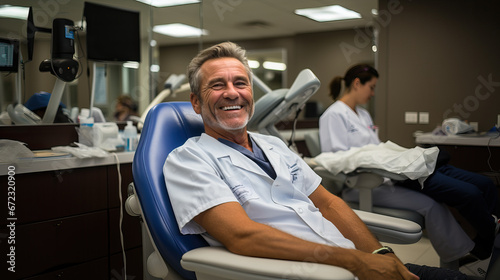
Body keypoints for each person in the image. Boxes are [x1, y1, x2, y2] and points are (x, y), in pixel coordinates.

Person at [163, 42, 468, 280]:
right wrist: (357, 261)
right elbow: (242, 236)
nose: (233, 93)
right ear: (195, 102)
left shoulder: (273, 145)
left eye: (241, 83)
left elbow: (329, 204)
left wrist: (381, 253)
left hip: (353, 263)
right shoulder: (189, 160)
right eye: (217, 85)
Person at [319, 64, 498, 262]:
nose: (373, 93)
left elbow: (377, 148)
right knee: (437, 202)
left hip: (386, 176)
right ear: (356, 83)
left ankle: (475, 247)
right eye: (371, 87)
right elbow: (335, 160)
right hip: (362, 183)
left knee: (481, 183)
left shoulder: (364, 114)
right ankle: (466, 254)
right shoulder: (333, 115)